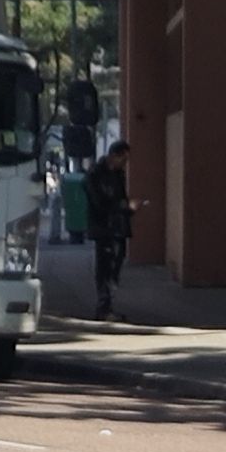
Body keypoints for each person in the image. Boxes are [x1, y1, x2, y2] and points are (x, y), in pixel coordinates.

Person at [85, 136, 132, 318]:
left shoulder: (118, 174)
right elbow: (98, 202)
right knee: (105, 266)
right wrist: (121, 206)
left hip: (117, 226)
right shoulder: (96, 173)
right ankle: (103, 307)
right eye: (123, 159)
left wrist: (127, 208)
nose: (125, 163)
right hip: (103, 226)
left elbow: (121, 197)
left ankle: (108, 303)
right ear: (113, 156)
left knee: (115, 264)